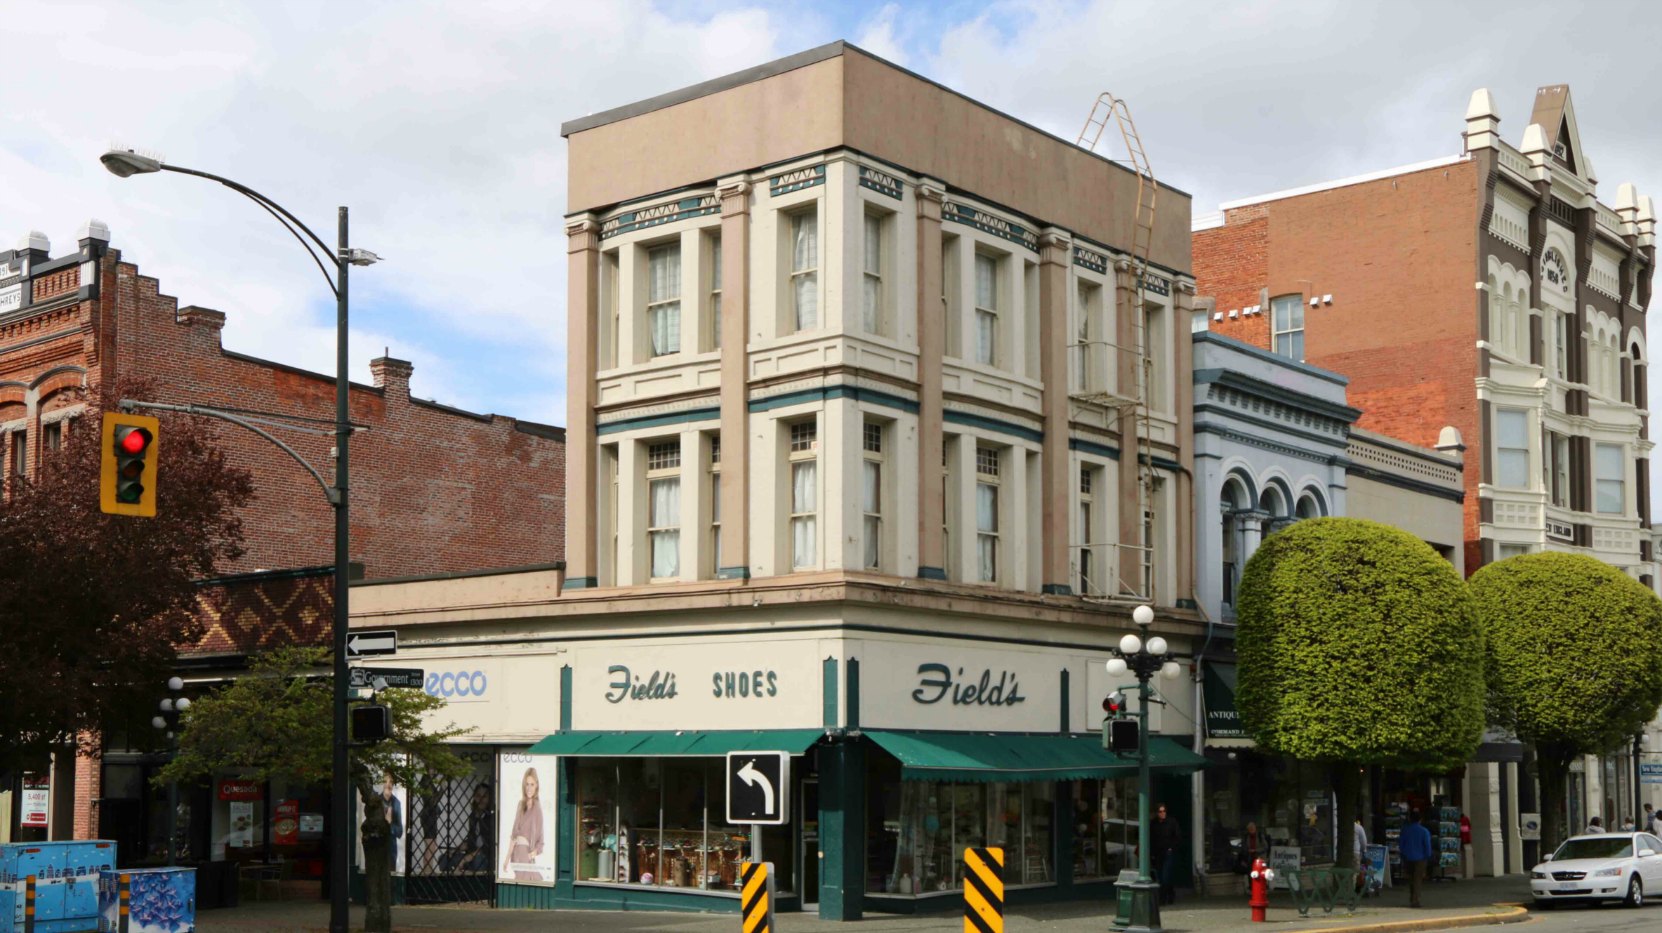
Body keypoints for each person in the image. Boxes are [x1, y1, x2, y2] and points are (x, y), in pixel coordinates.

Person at [503, 767, 545, 881]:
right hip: (516, 853)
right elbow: (514, 834)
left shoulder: (537, 807)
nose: (529, 788)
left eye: (532, 784)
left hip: (526, 852)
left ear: (536, 786)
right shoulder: (521, 805)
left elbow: (541, 838)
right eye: (527, 784)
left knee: (530, 881)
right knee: (519, 883)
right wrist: (507, 858)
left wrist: (532, 854)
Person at [1399, 809, 1432, 909]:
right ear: (1420, 819)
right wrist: (1428, 856)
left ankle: (1412, 897)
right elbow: (1427, 845)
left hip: (1408, 857)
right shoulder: (1424, 831)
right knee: (1418, 880)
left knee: (1411, 879)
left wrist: (1404, 854)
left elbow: (1401, 844)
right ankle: (1415, 900)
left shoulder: (1405, 830)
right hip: (1420, 858)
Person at [1151, 803, 1183, 906]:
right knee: (1160, 876)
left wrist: (1171, 848)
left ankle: (1164, 898)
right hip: (1158, 853)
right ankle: (1168, 894)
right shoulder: (1154, 824)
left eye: (1164, 811)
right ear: (1157, 813)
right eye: (1160, 811)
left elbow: (1177, 836)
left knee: (1165, 876)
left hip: (1168, 853)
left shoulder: (1171, 822)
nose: (1162, 813)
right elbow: (1151, 838)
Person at [380, 774, 404, 872]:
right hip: (378, 848)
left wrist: (390, 825)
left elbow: (400, 831)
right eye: (385, 781)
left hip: (391, 850)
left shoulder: (396, 803)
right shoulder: (376, 801)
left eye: (391, 782)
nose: (388, 785)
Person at [1353, 817, 1369, 893]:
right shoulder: (1358, 827)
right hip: (1356, 852)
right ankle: (1356, 889)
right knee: (1357, 870)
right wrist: (1364, 850)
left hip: (1347, 853)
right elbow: (1363, 841)